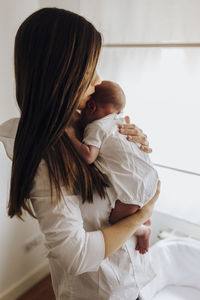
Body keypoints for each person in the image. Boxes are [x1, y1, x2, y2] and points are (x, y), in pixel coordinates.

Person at [0, 8, 160, 300]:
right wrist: (142, 216)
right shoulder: (45, 153)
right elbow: (75, 255)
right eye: (89, 68)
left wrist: (133, 148)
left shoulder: (87, 123)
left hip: (131, 279)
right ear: (60, 73)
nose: (98, 79)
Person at [66, 80, 159, 254]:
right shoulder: (120, 122)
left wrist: (71, 137)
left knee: (118, 222)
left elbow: (88, 156)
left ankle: (143, 230)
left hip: (132, 190)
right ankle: (142, 218)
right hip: (150, 179)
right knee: (134, 212)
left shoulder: (95, 127)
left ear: (91, 107)